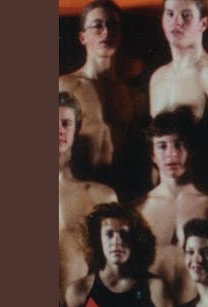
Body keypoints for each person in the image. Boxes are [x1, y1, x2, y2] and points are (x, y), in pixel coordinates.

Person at [136, 109, 208, 304]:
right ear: (153, 155)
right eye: (162, 146)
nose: (171, 154)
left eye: (179, 144)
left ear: (192, 150)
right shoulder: (139, 210)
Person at [149, 0, 208, 165]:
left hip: (205, 178)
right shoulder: (158, 77)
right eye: (170, 14)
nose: (176, 21)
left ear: (203, 23)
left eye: (186, 15)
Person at [60, 0, 136, 181]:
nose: (106, 32)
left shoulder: (133, 94)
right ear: (83, 37)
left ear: (120, 35)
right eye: (97, 26)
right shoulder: (64, 85)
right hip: (78, 186)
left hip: (121, 186)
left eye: (112, 25)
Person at [60, 92, 119, 296]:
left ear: (76, 129)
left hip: (81, 302)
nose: (59, 130)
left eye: (66, 123)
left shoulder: (99, 196)